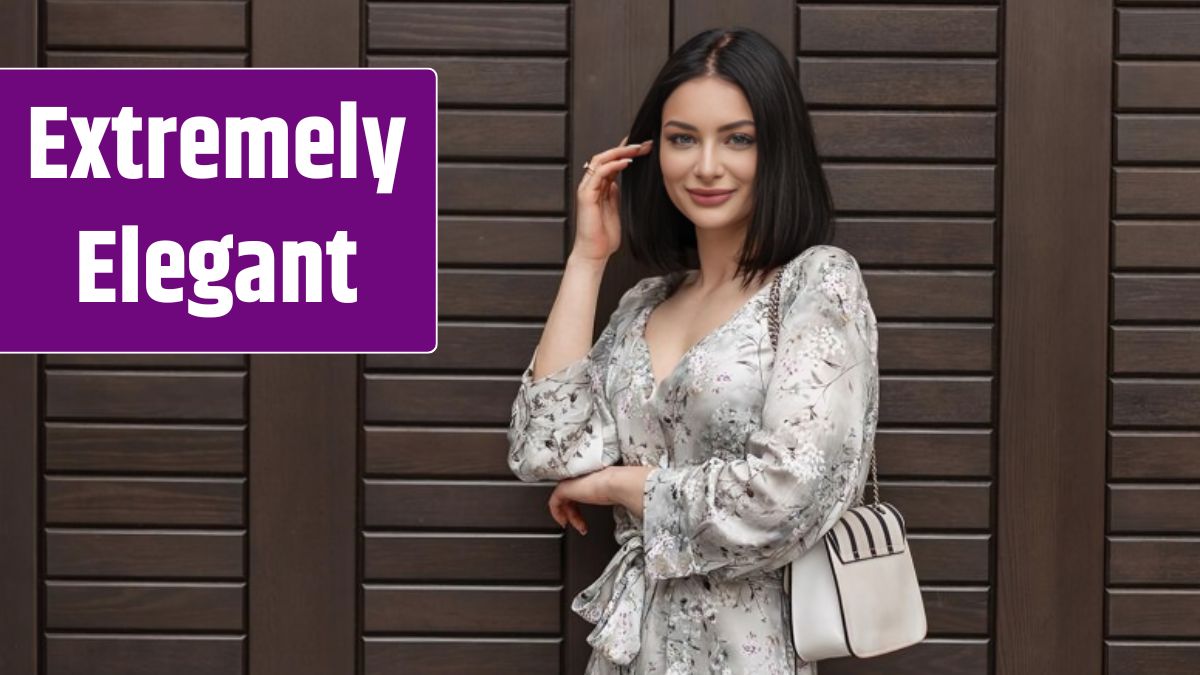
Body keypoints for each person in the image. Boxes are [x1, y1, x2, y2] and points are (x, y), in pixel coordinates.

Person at [506, 26, 879, 675]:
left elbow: (788, 496)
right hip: (628, 654)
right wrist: (588, 258)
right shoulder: (644, 304)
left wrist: (621, 484)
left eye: (738, 138)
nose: (707, 165)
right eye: (683, 138)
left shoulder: (817, 284)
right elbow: (548, 449)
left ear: (778, 150)